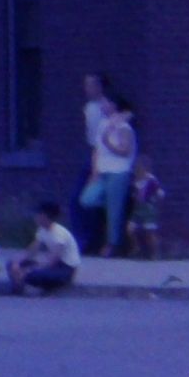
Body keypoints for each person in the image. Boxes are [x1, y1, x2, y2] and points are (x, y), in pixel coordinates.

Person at [83, 94, 140, 258]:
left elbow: (125, 151)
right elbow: (97, 150)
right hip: (102, 172)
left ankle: (112, 244)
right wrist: (94, 172)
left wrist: (108, 142)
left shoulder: (124, 127)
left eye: (105, 102)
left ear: (114, 105)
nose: (102, 105)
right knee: (87, 199)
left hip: (118, 172)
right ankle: (111, 208)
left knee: (114, 212)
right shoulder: (103, 124)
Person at [8, 200, 83, 294]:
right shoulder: (42, 230)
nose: (35, 217)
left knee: (32, 275)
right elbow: (32, 250)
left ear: (45, 216)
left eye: (38, 214)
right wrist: (18, 262)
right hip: (53, 266)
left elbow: (53, 260)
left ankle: (35, 286)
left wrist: (28, 270)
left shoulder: (59, 234)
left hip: (65, 269)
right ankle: (19, 287)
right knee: (11, 265)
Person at [74, 72, 111, 253]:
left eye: (90, 85)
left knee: (84, 199)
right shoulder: (88, 107)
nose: (86, 89)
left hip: (101, 156)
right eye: (86, 85)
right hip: (92, 153)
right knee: (84, 200)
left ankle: (89, 241)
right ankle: (86, 240)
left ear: (99, 87)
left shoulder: (105, 108)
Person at [127, 153, 167, 261]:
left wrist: (154, 200)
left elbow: (160, 193)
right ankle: (136, 248)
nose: (137, 170)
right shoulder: (135, 180)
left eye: (139, 168)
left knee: (149, 232)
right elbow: (134, 193)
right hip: (138, 208)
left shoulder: (151, 180)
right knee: (130, 229)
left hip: (148, 209)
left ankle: (155, 253)